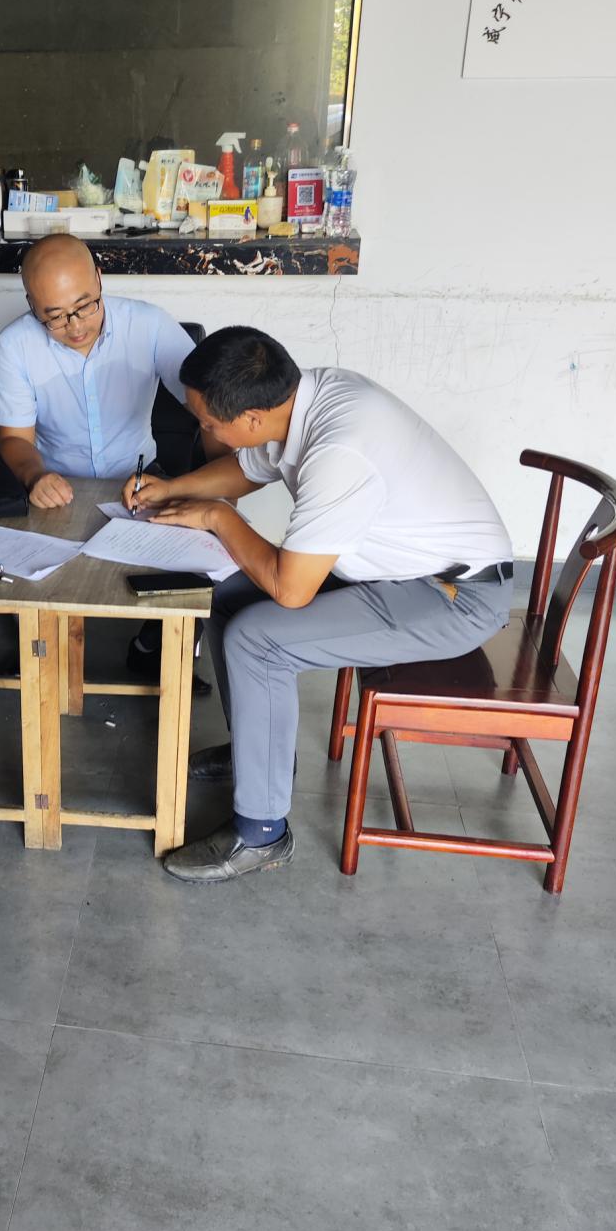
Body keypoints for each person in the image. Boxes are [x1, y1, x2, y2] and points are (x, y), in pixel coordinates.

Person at [120, 327, 514, 881]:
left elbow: (291, 590)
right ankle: (255, 751)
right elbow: (248, 469)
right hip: (390, 573)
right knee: (228, 596)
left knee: (258, 641)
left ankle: (262, 834)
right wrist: (171, 488)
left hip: (452, 597)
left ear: (250, 418)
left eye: (208, 424)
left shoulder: (339, 451)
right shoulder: (306, 397)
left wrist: (216, 516)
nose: (205, 430)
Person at [0, 231, 211, 690]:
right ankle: (39, 647)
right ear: (32, 306)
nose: (74, 326)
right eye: (54, 316)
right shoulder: (15, 345)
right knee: (13, 549)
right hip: (56, 481)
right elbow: (12, 439)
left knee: (203, 545)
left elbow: (209, 406)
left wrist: (219, 479)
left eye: (85, 306)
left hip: (141, 479)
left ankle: (153, 650)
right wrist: (35, 475)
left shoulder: (148, 325)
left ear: (99, 278)